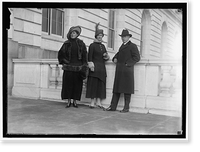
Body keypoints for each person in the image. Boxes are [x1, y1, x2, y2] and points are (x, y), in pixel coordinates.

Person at [105, 29, 140, 113]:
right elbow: (118, 54)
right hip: (120, 71)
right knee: (116, 89)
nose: (123, 38)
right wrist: (115, 58)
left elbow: (137, 57)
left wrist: (127, 64)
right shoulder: (122, 46)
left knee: (127, 90)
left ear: (128, 37)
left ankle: (126, 107)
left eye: (125, 37)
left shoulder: (132, 46)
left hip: (127, 71)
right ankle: (113, 107)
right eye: (122, 37)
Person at [58, 26, 87, 108]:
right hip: (68, 68)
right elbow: (60, 54)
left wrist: (84, 66)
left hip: (78, 68)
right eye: (71, 33)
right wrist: (64, 62)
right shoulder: (66, 43)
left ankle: (75, 101)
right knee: (68, 85)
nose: (72, 34)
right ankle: (68, 101)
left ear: (77, 34)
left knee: (77, 85)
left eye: (74, 33)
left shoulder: (81, 44)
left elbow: (85, 55)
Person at [86, 23, 110, 109]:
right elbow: (89, 57)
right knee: (93, 85)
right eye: (98, 35)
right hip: (94, 68)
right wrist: (91, 65)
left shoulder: (103, 46)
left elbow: (105, 57)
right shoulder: (92, 46)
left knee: (100, 85)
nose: (100, 37)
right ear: (96, 36)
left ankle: (99, 102)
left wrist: (106, 56)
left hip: (102, 68)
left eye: (101, 35)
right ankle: (92, 102)